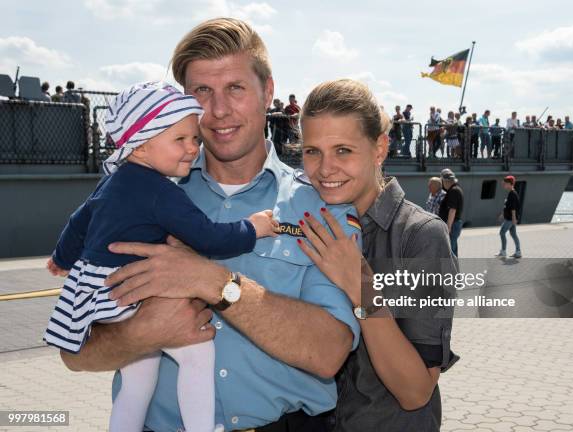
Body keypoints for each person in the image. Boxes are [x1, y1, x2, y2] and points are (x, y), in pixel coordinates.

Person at [59, 18, 361, 432]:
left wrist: (214, 281)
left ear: (267, 92)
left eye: (235, 88)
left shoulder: (319, 206)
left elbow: (329, 352)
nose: (218, 111)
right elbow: (74, 353)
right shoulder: (134, 195)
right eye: (202, 92)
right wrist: (137, 335)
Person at [44, 81, 278, 432]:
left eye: (194, 139)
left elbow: (79, 220)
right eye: (179, 140)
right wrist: (253, 227)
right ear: (140, 145)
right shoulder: (160, 192)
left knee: (138, 379)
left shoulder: (114, 180)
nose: (192, 149)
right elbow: (208, 237)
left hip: (101, 297)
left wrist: (62, 258)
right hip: (131, 296)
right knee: (198, 352)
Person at [298, 79, 458, 432]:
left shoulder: (420, 236)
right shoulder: (300, 225)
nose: (325, 169)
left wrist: (360, 284)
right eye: (312, 151)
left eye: (343, 150)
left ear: (379, 149)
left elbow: (416, 392)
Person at [438, 169, 463, 257]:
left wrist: (448, 226)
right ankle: (455, 269)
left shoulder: (453, 191)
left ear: (445, 181)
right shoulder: (455, 189)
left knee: (449, 251)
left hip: (452, 224)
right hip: (455, 224)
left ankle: (450, 269)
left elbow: (452, 210)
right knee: (453, 249)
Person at [496, 175, 522, 258]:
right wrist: (502, 214)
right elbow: (507, 206)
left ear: (511, 184)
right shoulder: (511, 193)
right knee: (513, 234)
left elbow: (513, 208)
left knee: (502, 232)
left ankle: (503, 251)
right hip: (510, 218)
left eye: (506, 183)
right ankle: (518, 252)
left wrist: (514, 219)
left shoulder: (512, 194)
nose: (504, 185)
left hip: (510, 219)